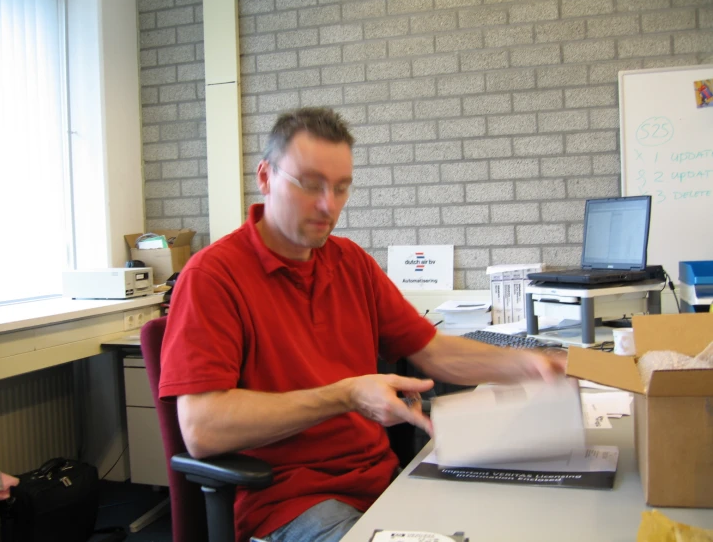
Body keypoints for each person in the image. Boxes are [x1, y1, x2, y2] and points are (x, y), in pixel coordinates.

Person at [159, 107, 565, 542]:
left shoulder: (351, 263)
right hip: (290, 505)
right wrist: (346, 395)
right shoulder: (214, 277)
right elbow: (202, 428)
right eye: (310, 184)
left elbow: (434, 351)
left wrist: (531, 364)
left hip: (384, 484)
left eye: (341, 188)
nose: (327, 205)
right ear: (265, 177)